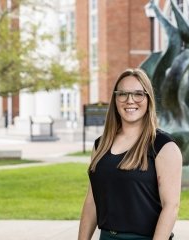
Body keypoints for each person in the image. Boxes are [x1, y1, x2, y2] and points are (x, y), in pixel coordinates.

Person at [78, 68, 182, 240]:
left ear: (148, 99)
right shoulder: (101, 144)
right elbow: (92, 201)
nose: (130, 100)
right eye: (123, 94)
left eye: (138, 94)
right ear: (115, 99)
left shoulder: (163, 146)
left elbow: (171, 206)